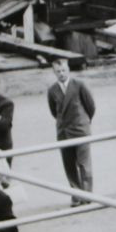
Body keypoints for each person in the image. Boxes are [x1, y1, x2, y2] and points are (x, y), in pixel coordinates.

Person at [45, 57, 96, 203]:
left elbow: (90, 106)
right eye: (58, 71)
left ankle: (87, 195)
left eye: (63, 70)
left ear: (68, 70)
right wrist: (63, 124)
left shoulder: (79, 85)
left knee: (84, 164)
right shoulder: (52, 90)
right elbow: (54, 112)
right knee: (69, 165)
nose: (61, 74)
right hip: (63, 132)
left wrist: (84, 122)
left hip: (80, 130)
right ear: (54, 73)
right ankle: (76, 194)